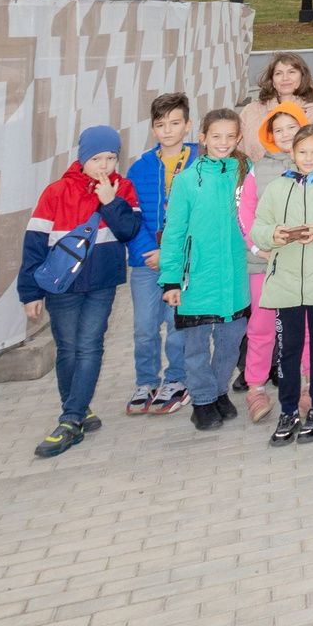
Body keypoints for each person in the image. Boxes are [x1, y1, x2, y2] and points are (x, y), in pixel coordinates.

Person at [20, 125, 143, 458]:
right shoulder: (56, 191)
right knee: (68, 348)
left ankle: (71, 419)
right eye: (97, 158)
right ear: (82, 158)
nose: (104, 166)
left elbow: (130, 230)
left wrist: (109, 202)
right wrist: (29, 291)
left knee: (89, 345)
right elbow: (34, 244)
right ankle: (79, 409)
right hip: (62, 286)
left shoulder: (123, 188)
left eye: (111, 158)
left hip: (102, 283)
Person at [247, 123, 313, 445]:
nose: (308, 158)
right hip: (286, 282)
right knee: (289, 349)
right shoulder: (278, 188)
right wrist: (273, 235)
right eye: (302, 151)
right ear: (292, 153)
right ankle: (288, 410)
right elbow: (258, 227)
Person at [155, 107, 253, 432]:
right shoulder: (186, 181)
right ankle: (201, 401)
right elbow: (174, 233)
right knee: (196, 346)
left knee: (230, 342)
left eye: (229, 136)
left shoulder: (246, 173)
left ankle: (219, 391)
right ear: (202, 138)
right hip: (196, 279)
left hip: (236, 277)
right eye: (216, 136)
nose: (223, 142)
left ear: (239, 138)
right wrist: (170, 280)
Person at [123, 92, 194, 417]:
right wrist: (146, 250)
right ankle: (146, 381)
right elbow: (129, 217)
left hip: (182, 262)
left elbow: (202, 216)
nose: (168, 130)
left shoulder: (198, 163)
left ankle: (177, 380)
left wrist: (174, 254)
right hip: (146, 262)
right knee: (145, 326)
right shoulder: (140, 169)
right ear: (153, 128)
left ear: (187, 126)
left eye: (175, 123)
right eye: (161, 124)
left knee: (177, 323)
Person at [242, 102, 312, 420]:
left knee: (307, 325)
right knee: (262, 325)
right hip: (264, 264)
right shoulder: (258, 169)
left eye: (291, 127)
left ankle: (309, 385)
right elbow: (245, 215)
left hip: (304, 263)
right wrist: (259, 249)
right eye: (278, 129)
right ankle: (255, 388)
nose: (285, 135)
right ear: (268, 135)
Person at [239, 52, 313, 142]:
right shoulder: (251, 111)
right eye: (278, 73)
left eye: (291, 72)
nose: (285, 78)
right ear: (272, 81)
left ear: (302, 76)